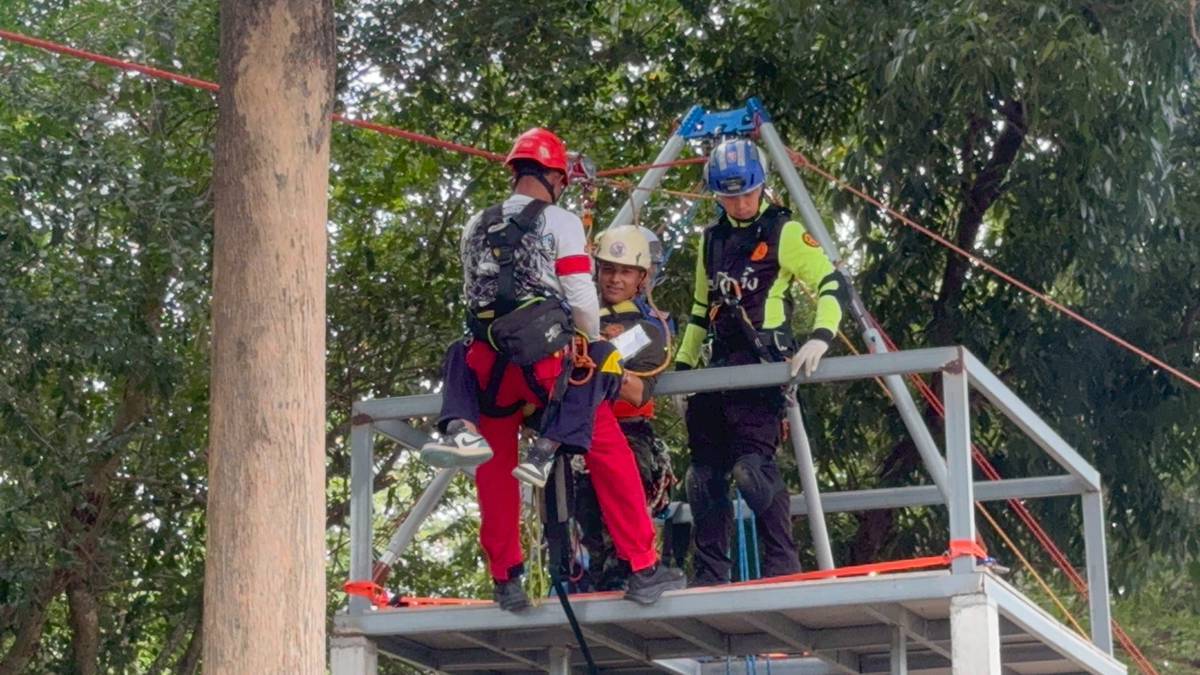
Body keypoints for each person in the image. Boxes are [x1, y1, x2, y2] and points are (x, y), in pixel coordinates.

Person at [419, 128, 685, 609]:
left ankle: (506, 579)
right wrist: (587, 343)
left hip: (487, 360)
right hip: (545, 361)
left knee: (493, 466)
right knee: (607, 447)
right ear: (558, 179)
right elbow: (581, 295)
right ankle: (643, 567)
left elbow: (473, 293)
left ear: (515, 172)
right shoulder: (560, 221)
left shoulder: (476, 223)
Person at [674, 138, 847, 585]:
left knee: (751, 472)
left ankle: (783, 569)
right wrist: (682, 370)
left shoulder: (783, 232)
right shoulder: (711, 240)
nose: (740, 203)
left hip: (764, 365)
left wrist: (821, 336)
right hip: (719, 369)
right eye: (729, 196)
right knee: (702, 478)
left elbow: (832, 283)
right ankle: (710, 576)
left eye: (748, 193)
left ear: (762, 186)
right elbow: (700, 311)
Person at [573, 226, 677, 591]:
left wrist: (604, 358)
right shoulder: (574, 320)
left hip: (626, 432)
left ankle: (628, 571)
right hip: (577, 432)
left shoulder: (650, 330)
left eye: (625, 272)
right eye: (608, 269)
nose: (615, 279)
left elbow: (637, 393)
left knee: (615, 519)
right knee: (573, 518)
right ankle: (585, 578)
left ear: (641, 278)